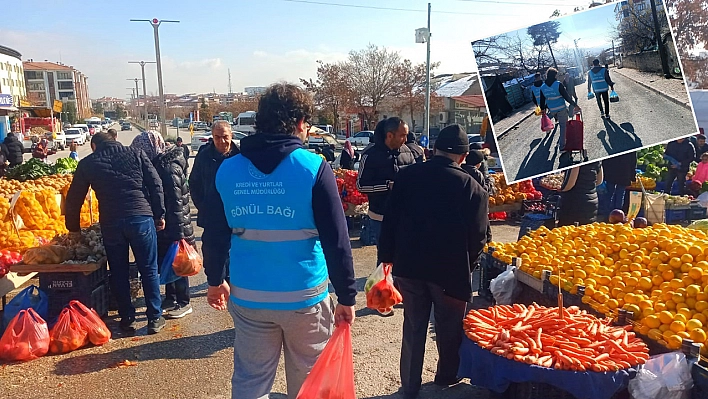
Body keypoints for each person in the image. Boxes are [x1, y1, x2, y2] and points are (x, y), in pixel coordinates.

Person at [212, 83, 356, 398]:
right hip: (303, 298)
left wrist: (214, 279)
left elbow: (215, 230)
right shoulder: (313, 167)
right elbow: (337, 239)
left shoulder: (228, 169)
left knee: (251, 381)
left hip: (249, 296)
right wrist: (346, 296)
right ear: (298, 123)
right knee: (308, 382)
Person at [378, 124, 489, 399]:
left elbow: (389, 221)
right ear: (463, 156)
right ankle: (446, 377)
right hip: (450, 272)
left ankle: (410, 385)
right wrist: (468, 265)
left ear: (434, 150)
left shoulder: (407, 176)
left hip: (409, 267)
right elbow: (478, 238)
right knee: (450, 326)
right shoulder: (473, 188)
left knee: (414, 325)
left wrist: (386, 260)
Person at [65, 132, 166, 334]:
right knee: (148, 268)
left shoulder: (88, 163)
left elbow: (74, 198)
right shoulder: (136, 153)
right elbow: (156, 184)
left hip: (111, 222)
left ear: (94, 146)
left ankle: (126, 318)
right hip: (140, 218)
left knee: (118, 271)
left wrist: (73, 228)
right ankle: (155, 317)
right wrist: (159, 214)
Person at [134, 137, 195, 319]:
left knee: (179, 263)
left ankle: (184, 302)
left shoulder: (168, 169)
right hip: (166, 223)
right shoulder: (160, 164)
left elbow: (176, 203)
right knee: (169, 262)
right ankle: (170, 297)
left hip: (175, 223)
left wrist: (179, 234)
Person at [189, 121, 240, 297]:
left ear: (231, 136)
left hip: (237, 213)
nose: (222, 141)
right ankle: (217, 281)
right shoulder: (204, 156)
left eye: (225, 137)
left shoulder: (241, 156)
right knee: (212, 251)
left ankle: (234, 281)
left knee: (236, 250)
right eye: (217, 137)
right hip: (212, 214)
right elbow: (193, 183)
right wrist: (203, 206)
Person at [357, 117, 416, 246]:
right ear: (390, 135)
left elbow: (415, 177)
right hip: (380, 218)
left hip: (404, 216)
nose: (405, 140)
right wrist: (386, 186)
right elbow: (361, 185)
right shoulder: (370, 155)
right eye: (402, 136)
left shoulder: (407, 152)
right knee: (385, 258)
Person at [540, 67, 581, 151]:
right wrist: (575, 105)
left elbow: (542, 100)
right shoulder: (558, 84)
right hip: (561, 108)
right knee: (563, 126)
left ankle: (563, 140)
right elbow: (566, 97)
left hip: (552, 110)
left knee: (561, 124)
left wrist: (543, 110)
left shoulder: (543, 87)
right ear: (554, 75)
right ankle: (562, 147)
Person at [557, 161, 604, 227]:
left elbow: (569, 185)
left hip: (575, 203)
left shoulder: (576, 159)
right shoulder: (597, 160)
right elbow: (599, 181)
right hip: (592, 201)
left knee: (569, 233)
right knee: (586, 232)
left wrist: (558, 188)